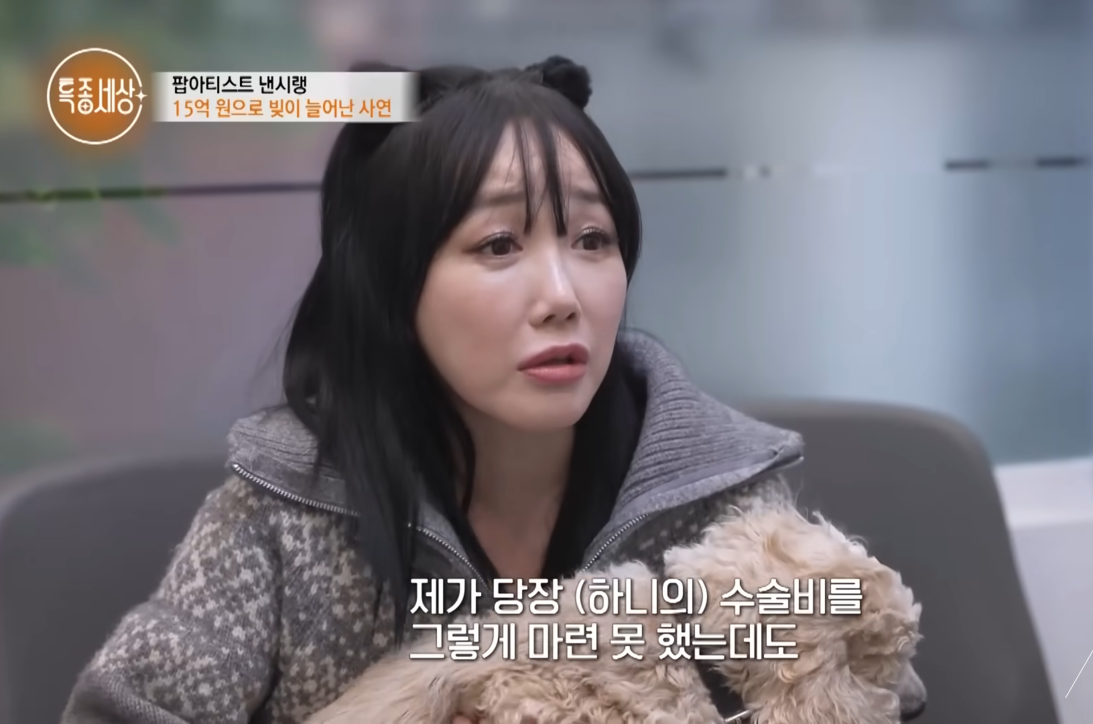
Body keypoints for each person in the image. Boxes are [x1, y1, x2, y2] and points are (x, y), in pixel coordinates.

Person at [60, 55, 803, 724]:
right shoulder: (282, 514)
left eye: (591, 240)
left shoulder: (718, 497)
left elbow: (836, 692)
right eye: (499, 245)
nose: (562, 295)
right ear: (396, 288)